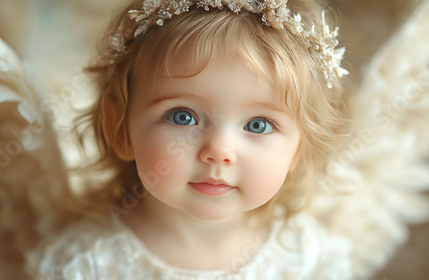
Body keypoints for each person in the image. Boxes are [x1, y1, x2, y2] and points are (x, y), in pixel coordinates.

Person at [30, 0, 353, 278]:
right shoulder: (85, 263)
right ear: (121, 130)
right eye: (183, 116)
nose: (219, 152)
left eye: (258, 125)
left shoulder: (307, 260)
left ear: (298, 148)